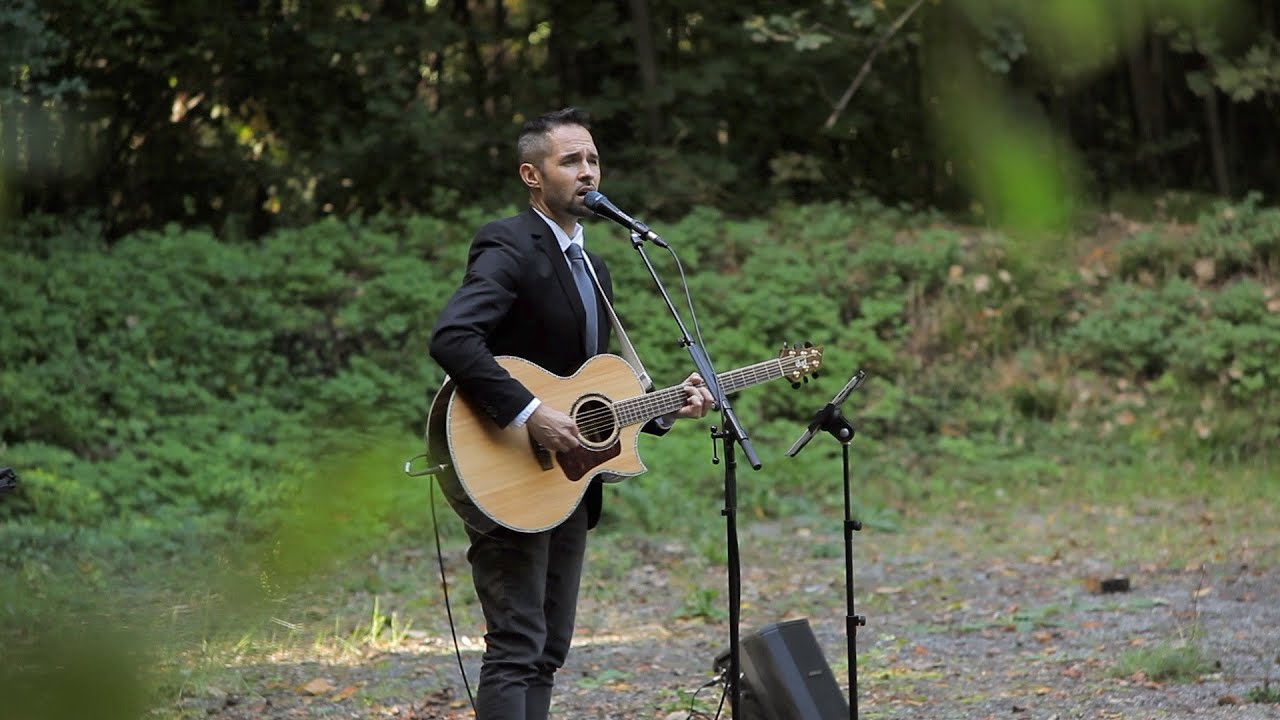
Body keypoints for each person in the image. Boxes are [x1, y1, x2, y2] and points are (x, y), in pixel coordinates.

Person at [428, 107, 715, 720]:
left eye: (593, 160)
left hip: (567, 477)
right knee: (516, 645)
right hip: (506, 466)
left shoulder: (593, 264)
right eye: (571, 161)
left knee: (550, 646)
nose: (588, 172)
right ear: (533, 175)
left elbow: (594, 390)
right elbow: (454, 339)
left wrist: (666, 408)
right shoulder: (510, 243)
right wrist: (529, 412)